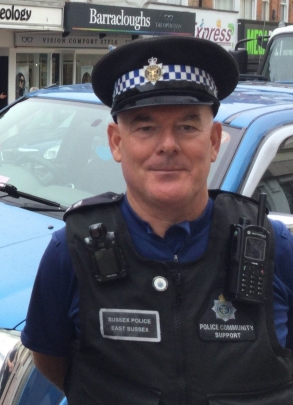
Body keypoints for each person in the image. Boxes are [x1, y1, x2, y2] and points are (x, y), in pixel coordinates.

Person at [21, 36, 293, 404]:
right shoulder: (71, 252)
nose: (167, 145)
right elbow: (52, 361)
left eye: (186, 126)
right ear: (117, 142)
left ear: (214, 141)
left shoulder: (275, 249)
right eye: (145, 127)